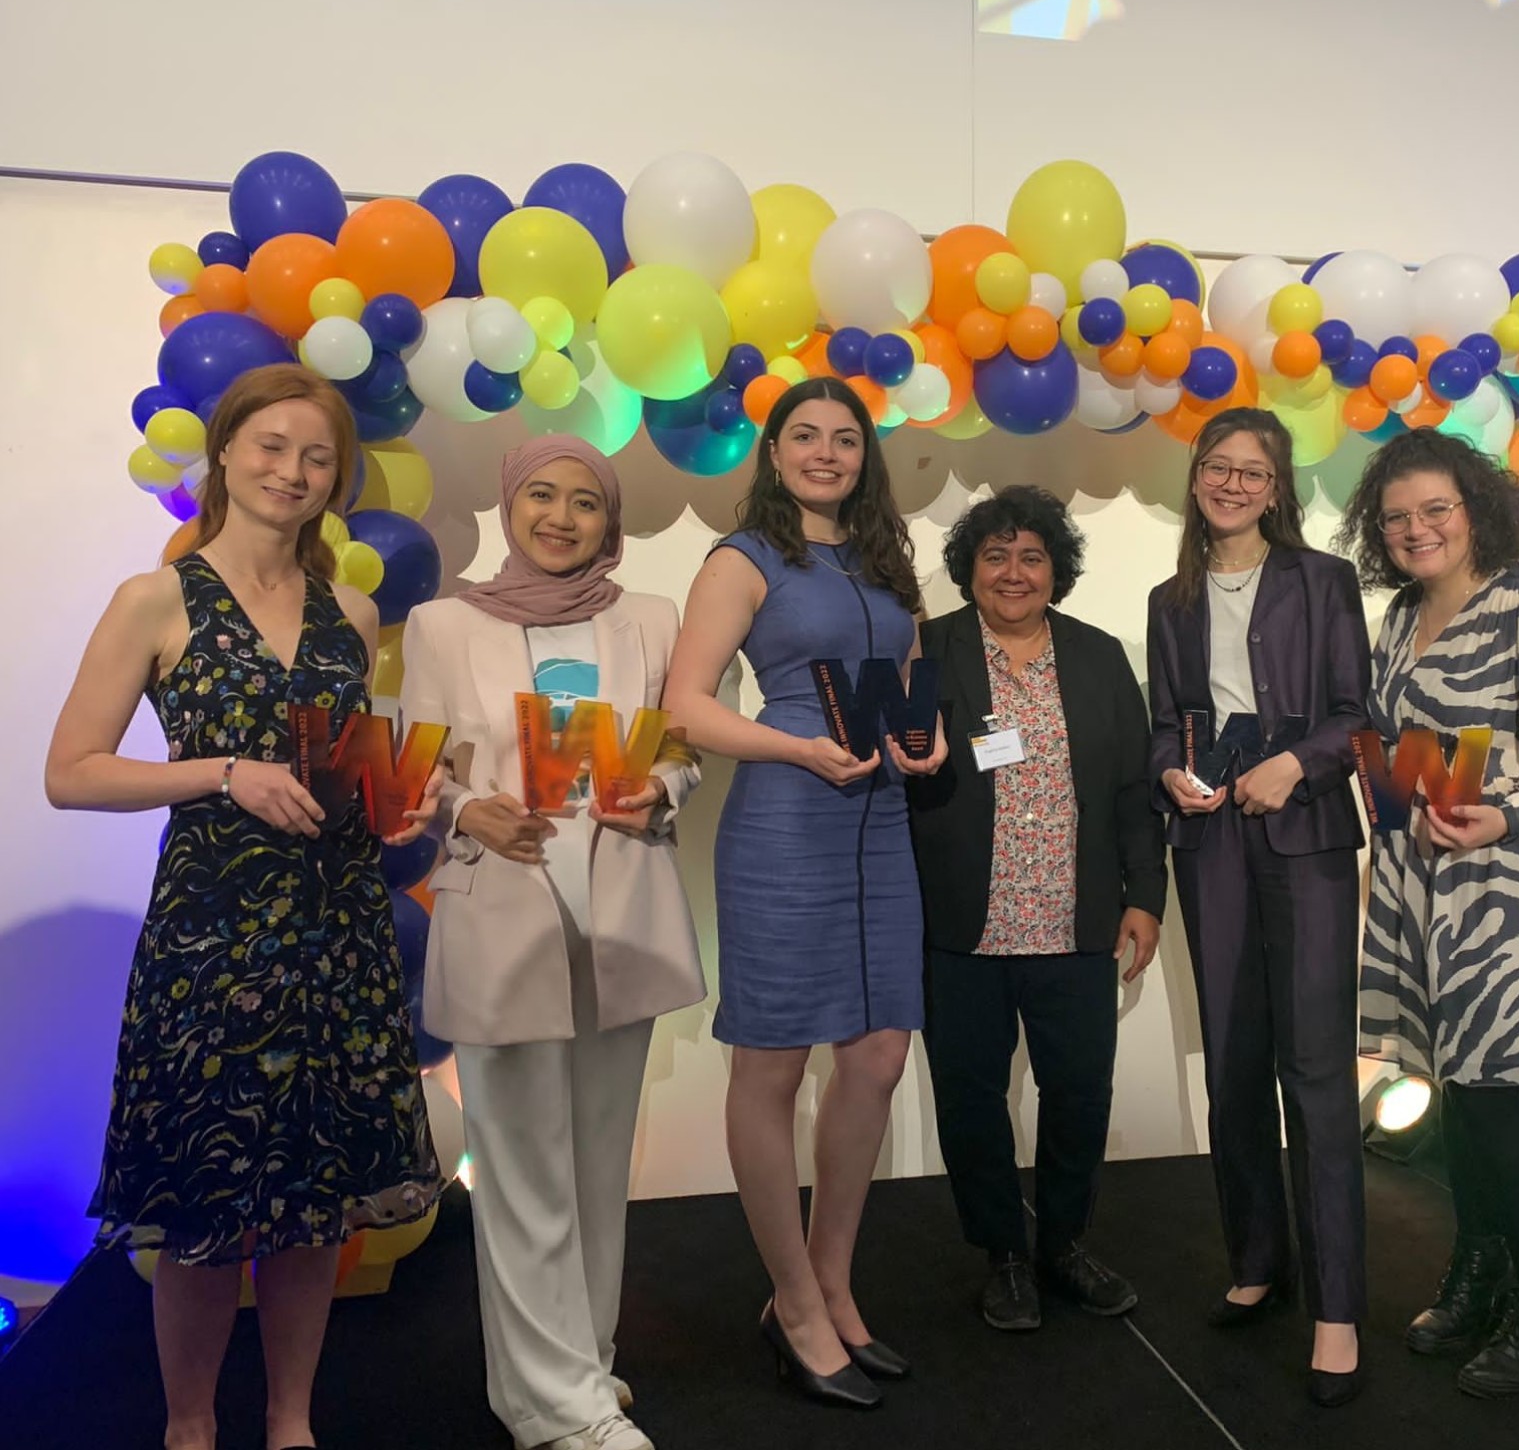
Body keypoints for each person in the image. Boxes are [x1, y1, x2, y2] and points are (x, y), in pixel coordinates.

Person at [45, 364, 442, 1450]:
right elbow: (70, 771)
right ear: (225, 452)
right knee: (206, 1204)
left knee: (315, 1201)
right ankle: (190, 1426)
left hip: (336, 930)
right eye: (271, 446)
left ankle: (289, 1420)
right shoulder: (156, 599)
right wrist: (223, 772)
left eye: (317, 456)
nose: (292, 471)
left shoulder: (350, 612)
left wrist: (397, 802)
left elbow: (341, 768)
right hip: (213, 936)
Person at [399, 434, 706, 1450]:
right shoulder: (444, 624)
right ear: (510, 504)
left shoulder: (649, 617)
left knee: (596, 1163)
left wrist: (661, 786)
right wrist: (467, 809)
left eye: (584, 501)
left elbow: (678, 744)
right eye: (541, 495)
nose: (560, 517)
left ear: (608, 520)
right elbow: (423, 767)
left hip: (619, 913)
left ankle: (580, 1364)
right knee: (524, 1168)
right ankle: (548, 1406)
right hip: (504, 911)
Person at [662, 377, 946, 1411]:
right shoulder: (741, 558)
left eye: (844, 438)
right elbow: (685, 706)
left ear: (865, 456)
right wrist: (796, 747)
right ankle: (791, 1301)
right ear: (775, 452)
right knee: (773, 1062)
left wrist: (926, 733)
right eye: (805, 436)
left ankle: (832, 1281)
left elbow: (908, 678)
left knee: (877, 1055)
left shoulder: (884, 559)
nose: (825, 452)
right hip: (787, 822)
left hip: (880, 825)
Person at [1338, 426, 1519, 1399]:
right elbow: (1396, 742)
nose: (1416, 528)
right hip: (1420, 880)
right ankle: (1481, 1267)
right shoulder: (1398, 615)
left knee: (1493, 1092)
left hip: (1508, 885)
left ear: (1474, 510)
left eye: (1435, 509)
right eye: (1396, 517)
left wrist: (1500, 811)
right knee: (1457, 1091)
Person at [1145, 407, 1372, 1406]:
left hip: (1305, 828)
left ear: (1277, 488)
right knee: (1233, 1058)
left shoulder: (1323, 580)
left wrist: (1296, 762)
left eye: (1253, 471)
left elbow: (1357, 715)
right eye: (1218, 466)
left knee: (1314, 1067)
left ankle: (1337, 1305)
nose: (1232, 484)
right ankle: (1256, 1257)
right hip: (1210, 835)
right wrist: (1170, 771)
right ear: (1196, 476)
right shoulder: (1170, 597)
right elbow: (1164, 722)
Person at [907, 485, 1167, 1333]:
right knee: (971, 1100)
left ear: (1056, 570)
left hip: (1073, 921)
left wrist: (1145, 896)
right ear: (969, 569)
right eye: (995, 556)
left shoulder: (1097, 657)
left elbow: (1133, 792)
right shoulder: (927, 651)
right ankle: (1004, 1257)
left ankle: (1062, 1244)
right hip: (960, 926)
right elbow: (899, 778)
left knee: (1080, 1094)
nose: (1013, 573)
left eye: (1031, 557)